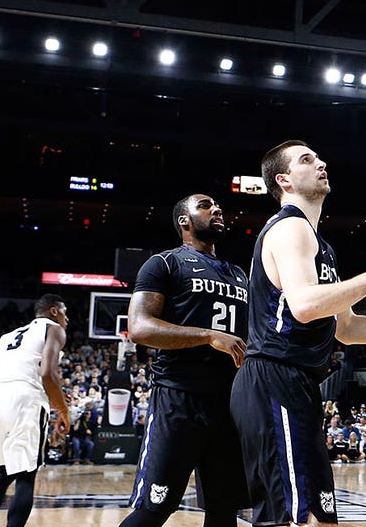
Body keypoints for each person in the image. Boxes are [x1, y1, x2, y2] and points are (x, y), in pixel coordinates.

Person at [231, 140, 366, 526]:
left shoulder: (323, 248)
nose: (321, 163)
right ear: (283, 180)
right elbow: (303, 305)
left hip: (297, 384)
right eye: (307, 160)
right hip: (274, 377)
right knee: (297, 518)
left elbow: (347, 329)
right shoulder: (290, 228)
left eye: (318, 158)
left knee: (317, 517)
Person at [120, 193, 250, 527]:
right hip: (179, 398)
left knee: (224, 511)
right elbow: (140, 327)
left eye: (218, 205)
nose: (218, 208)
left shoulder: (240, 274)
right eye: (206, 205)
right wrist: (207, 335)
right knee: (155, 507)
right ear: (184, 221)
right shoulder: (165, 263)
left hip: (229, 404)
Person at [0, 295, 71, 527]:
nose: (67, 318)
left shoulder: (8, 336)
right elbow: (48, 372)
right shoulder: (54, 328)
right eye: (64, 312)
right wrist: (64, 411)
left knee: (4, 471)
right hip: (24, 400)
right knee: (26, 476)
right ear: (54, 311)